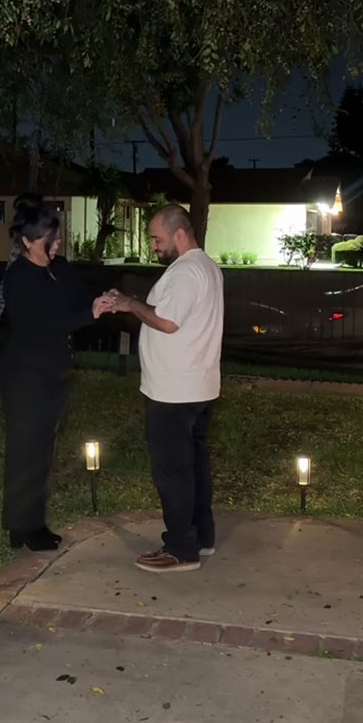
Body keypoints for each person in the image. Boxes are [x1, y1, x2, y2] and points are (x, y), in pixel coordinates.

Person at [106, 204, 224, 573]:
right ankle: (200, 537)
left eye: (157, 239)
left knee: (173, 472)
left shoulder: (186, 271)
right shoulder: (206, 266)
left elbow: (168, 322)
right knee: (194, 466)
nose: (153, 246)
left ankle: (180, 550)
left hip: (174, 391)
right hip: (197, 386)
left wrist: (129, 304)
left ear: (179, 233)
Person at [0, 194, 111, 552]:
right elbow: (43, 322)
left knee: (43, 448)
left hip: (54, 372)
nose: (58, 242)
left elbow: (80, 298)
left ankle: (26, 523)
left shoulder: (60, 269)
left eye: (58, 235)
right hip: (26, 375)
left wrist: (102, 300)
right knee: (25, 448)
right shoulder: (18, 278)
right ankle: (25, 526)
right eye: (50, 237)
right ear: (27, 241)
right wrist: (88, 314)